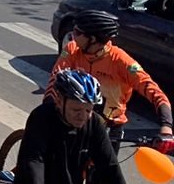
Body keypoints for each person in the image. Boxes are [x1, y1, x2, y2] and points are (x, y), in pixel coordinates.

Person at [14, 69, 144, 184]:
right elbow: (34, 160)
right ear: (59, 101)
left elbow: (109, 166)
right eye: (76, 109)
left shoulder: (95, 124)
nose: (82, 116)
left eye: (88, 110)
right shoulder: (41, 117)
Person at [49, 9, 173, 145]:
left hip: (110, 126)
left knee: (107, 165)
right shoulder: (72, 49)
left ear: (93, 39)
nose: (73, 35)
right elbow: (56, 79)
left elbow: (153, 91)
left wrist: (166, 127)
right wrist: (46, 109)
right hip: (76, 120)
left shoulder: (121, 61)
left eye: (78, 33)